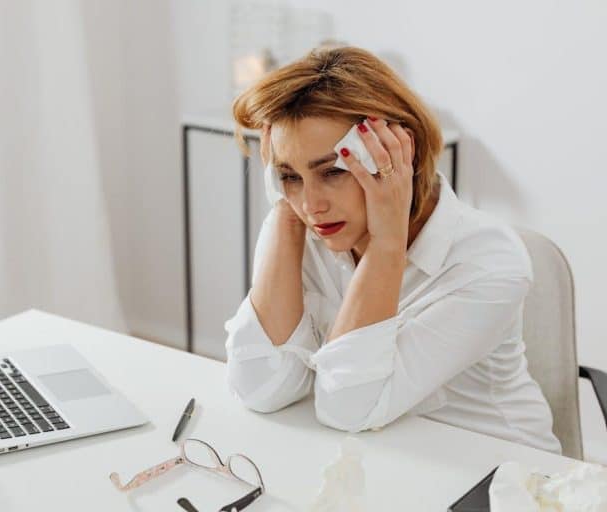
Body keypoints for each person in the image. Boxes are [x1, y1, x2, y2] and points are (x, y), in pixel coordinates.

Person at [224, 46, 561, 454]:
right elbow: (259, 388)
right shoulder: (301, 224)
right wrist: (283, 219)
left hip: (496, 473)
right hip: (382, 462)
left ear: (399, 152)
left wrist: (386, 243)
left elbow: (347, 409)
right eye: (289, 176)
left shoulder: (489, 262)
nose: (311, 204)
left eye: (332, 171)